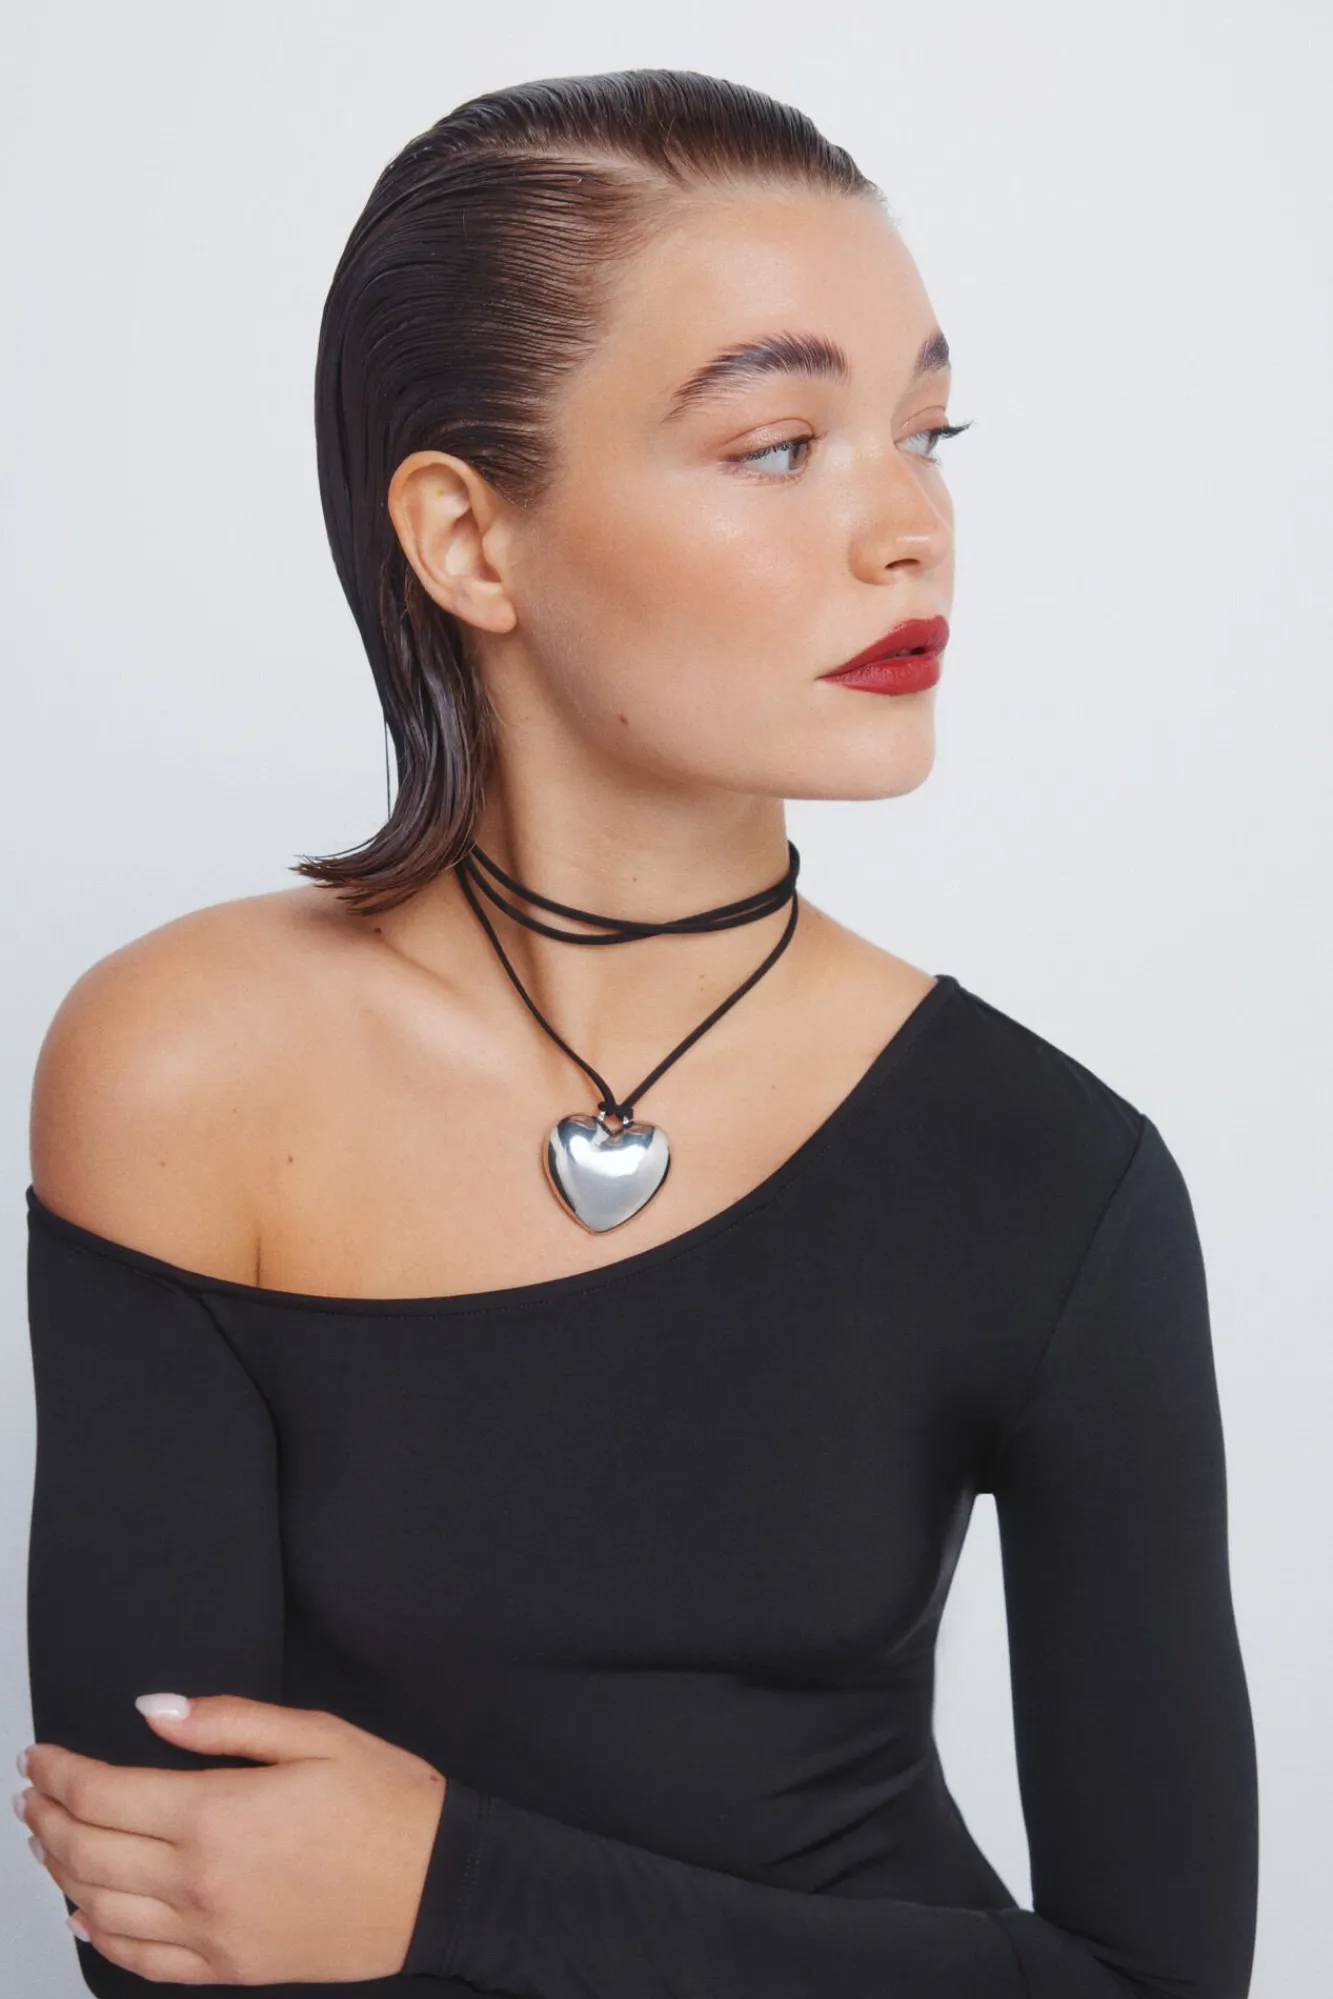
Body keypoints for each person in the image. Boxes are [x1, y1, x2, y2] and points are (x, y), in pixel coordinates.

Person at [16, 67, 1258, 1998]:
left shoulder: (1055, 1177)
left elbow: (1158, 1981)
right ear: (468, 538)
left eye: (929, 433)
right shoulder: (184, 1067)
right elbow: (163, 1908)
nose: (912, 527)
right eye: (780, 444)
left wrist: (456, 1891)